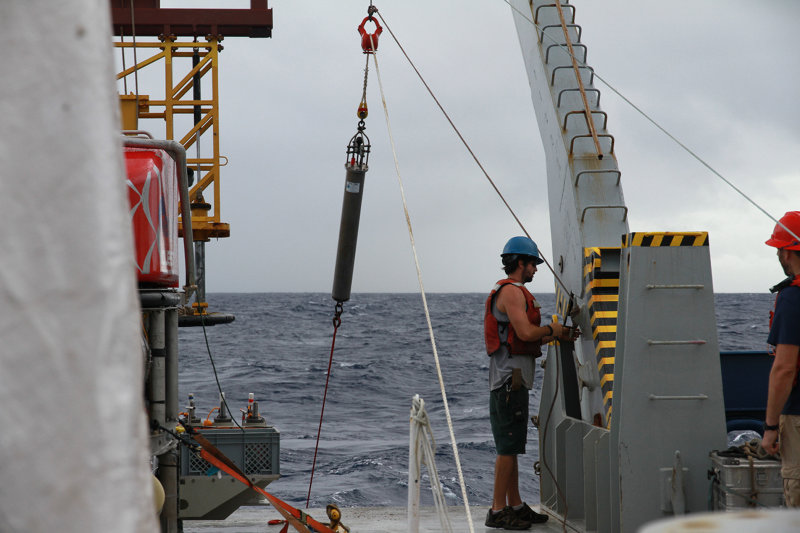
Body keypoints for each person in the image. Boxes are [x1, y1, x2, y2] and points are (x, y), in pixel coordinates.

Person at [483, 236, 578, 529]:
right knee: (507, 449)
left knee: (512, 445)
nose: (535, 269)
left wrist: (557, 335)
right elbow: (525, 333)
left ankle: (515, 504)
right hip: (508, 382)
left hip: (515, 381)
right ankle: (498, 511)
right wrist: (553, 328)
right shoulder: (511, 292)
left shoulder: (515, 291)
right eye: (533, 264)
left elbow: (525, 336)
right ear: (519, 263)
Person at [761, 211, 800, 507]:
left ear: (787, 252)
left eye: (778, 248)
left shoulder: (792, 298)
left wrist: (771, 427)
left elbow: (785, 369)